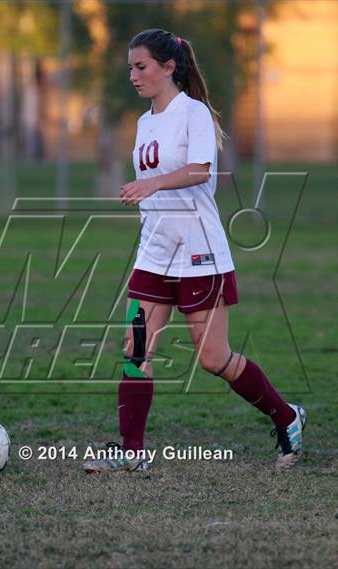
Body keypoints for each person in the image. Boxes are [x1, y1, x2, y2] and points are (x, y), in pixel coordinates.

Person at [83, 28, 306, 474]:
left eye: (141, 66)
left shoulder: (194, 113)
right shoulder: (145, 121)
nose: (134, 75)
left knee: (212, 358)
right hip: (153, 254)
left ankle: (287, 417)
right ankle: (131, 452)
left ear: (169, 67)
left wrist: (151, 184)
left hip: (199, 253)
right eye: (130, 67)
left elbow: (202, 171)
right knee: (135, 350)